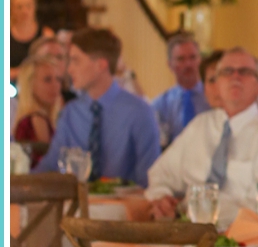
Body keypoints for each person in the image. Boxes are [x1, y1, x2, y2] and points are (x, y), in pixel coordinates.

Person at [146, 47, 258, 225]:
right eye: (227, 71)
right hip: (186, 232)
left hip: (242, 239)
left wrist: (198, 212)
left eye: (245, 72)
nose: (235, 77)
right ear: (216, 83)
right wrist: (163, 198)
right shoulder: (200, 125)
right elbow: (160, 174)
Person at [37, 28, 161, 186]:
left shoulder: (139, 112)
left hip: (126, 205)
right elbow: (51, 165)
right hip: (76, 206)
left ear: (100, 65)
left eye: (76, 60)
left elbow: (149, 178)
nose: (69, 69)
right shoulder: (70, 112)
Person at [12, 41, 67, 161]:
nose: (55, 86)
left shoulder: (33, 118)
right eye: (47, 80)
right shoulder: (36, 119)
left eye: (58, 79)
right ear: (30, 84)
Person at [152, 34, 207, 146]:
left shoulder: (213, 98)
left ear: (199, 60)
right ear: (170, 64)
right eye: (181, 59)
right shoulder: (161, 104)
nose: (188, 64)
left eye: (192, 57)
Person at [10, 0, 53, 73]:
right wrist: (23, 73)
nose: (24, 11)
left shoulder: (46, 35)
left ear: (35, 7)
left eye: (28, 6)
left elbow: (54, 67)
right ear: (11, 9)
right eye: (19, 7)